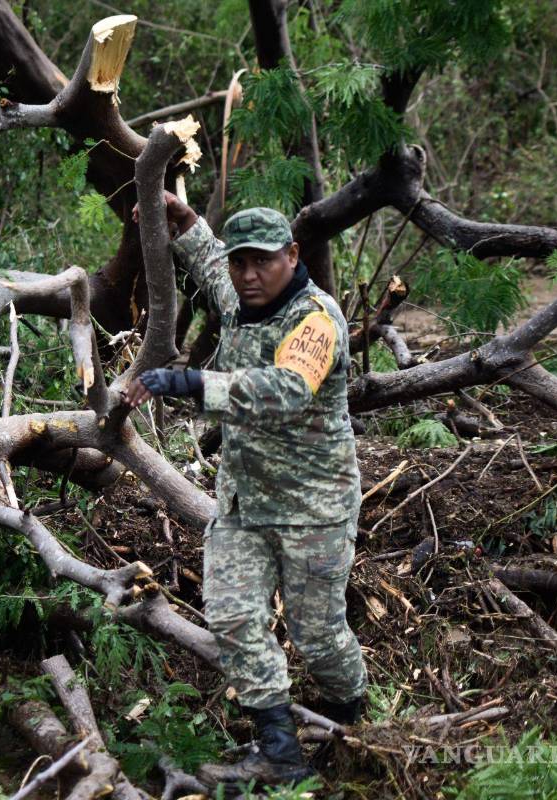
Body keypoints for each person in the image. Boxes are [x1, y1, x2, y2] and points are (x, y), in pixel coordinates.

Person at [124, 195, 366, 785]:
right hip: (243, 505)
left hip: (315, 509)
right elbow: (210, 261)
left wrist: (188, 381)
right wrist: (184, 224)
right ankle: (279, 747)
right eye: (242, 263)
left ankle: (349, 717)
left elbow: (287, 389)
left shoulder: (316, 318)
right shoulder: (238, 291)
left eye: (262, 262)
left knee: (317, 636)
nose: (248, 274)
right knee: (232, 617)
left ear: (292, 254)